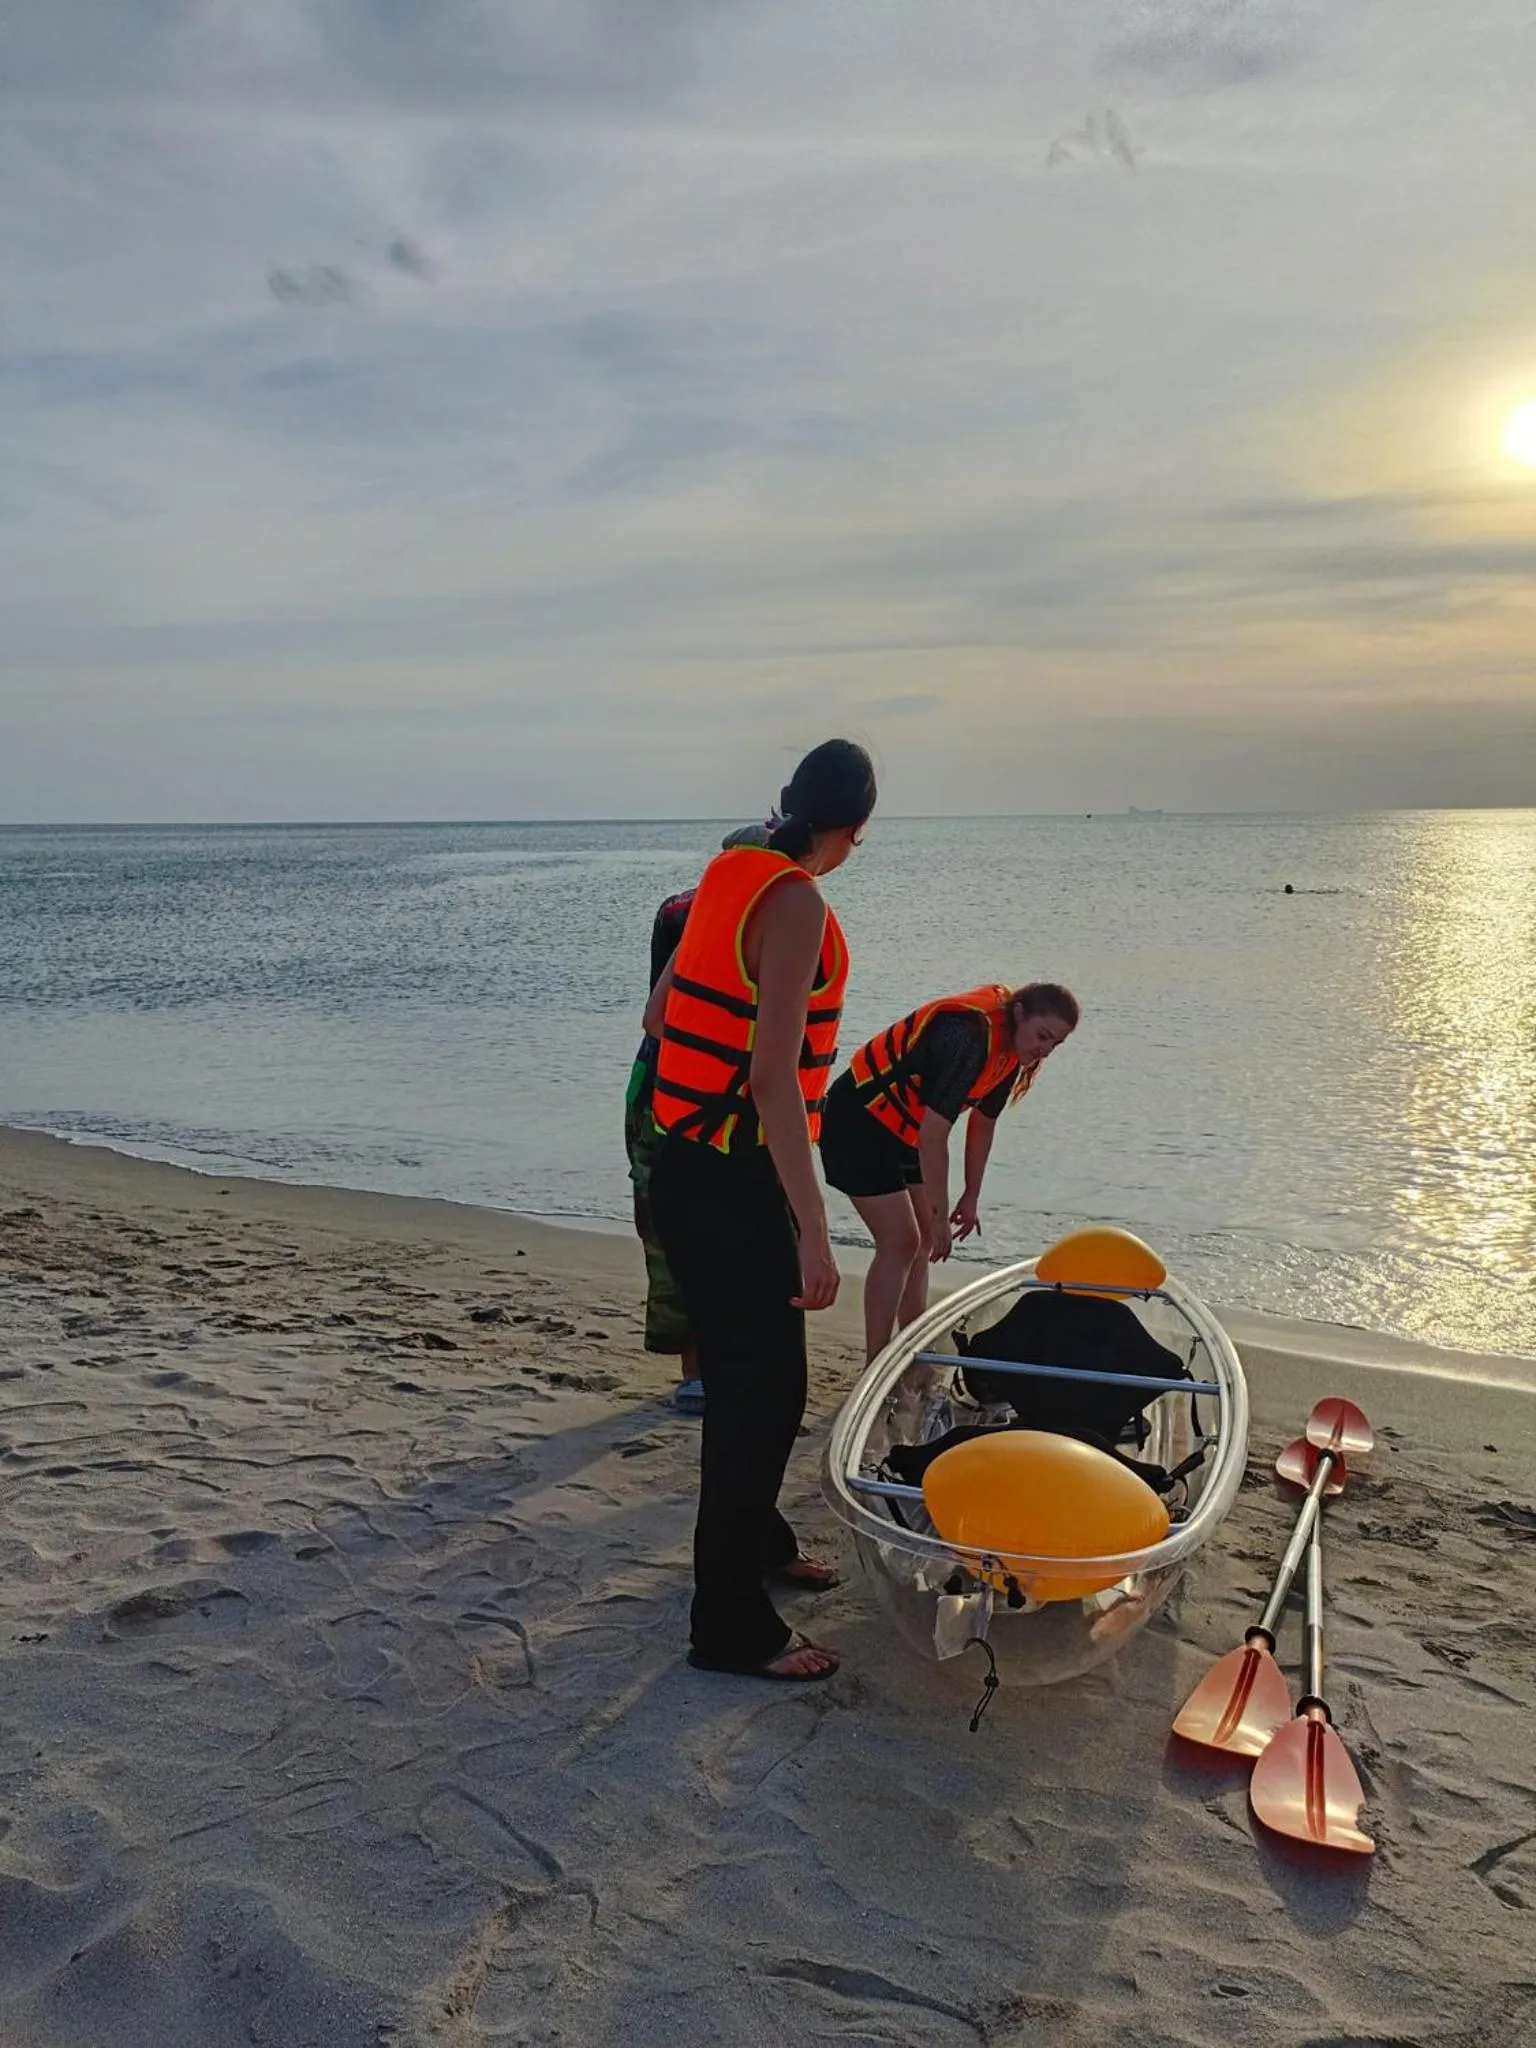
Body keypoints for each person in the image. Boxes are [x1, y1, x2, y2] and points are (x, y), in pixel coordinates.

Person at [646, 738, 877, 1683]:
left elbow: (663, 1015)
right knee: (764, 1394)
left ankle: (763, 1547)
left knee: (754, 1386)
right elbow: (774, 1080)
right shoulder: (796, 901)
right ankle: (729, 1625)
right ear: (852, 830)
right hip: (735, 1183)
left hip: (681, 1166)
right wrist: (816, 1230)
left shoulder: (728, 875)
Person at [820, 982, 1080, 1360]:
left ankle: (911, 1350)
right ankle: (877, 1363)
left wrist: (970, 1195)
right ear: (1019, 1012)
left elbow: (982, 1124)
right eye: (1043, 1035)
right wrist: (941, 1215)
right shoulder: (969, 1038)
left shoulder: (1009, 1052)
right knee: (902, 1241)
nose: (1045, 1049)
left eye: (1055, 1044)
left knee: (922, 1238)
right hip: (857, 1122)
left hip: (900, 1132)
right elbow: (934, 1136)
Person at [624, 825, 770, 1414]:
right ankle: (705, 1370)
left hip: (660, 1080)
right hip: (694, 1087)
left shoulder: (679, 908)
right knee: (702, 1227)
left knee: (669, 1224)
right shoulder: (721, 916)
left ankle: (699, 1370)